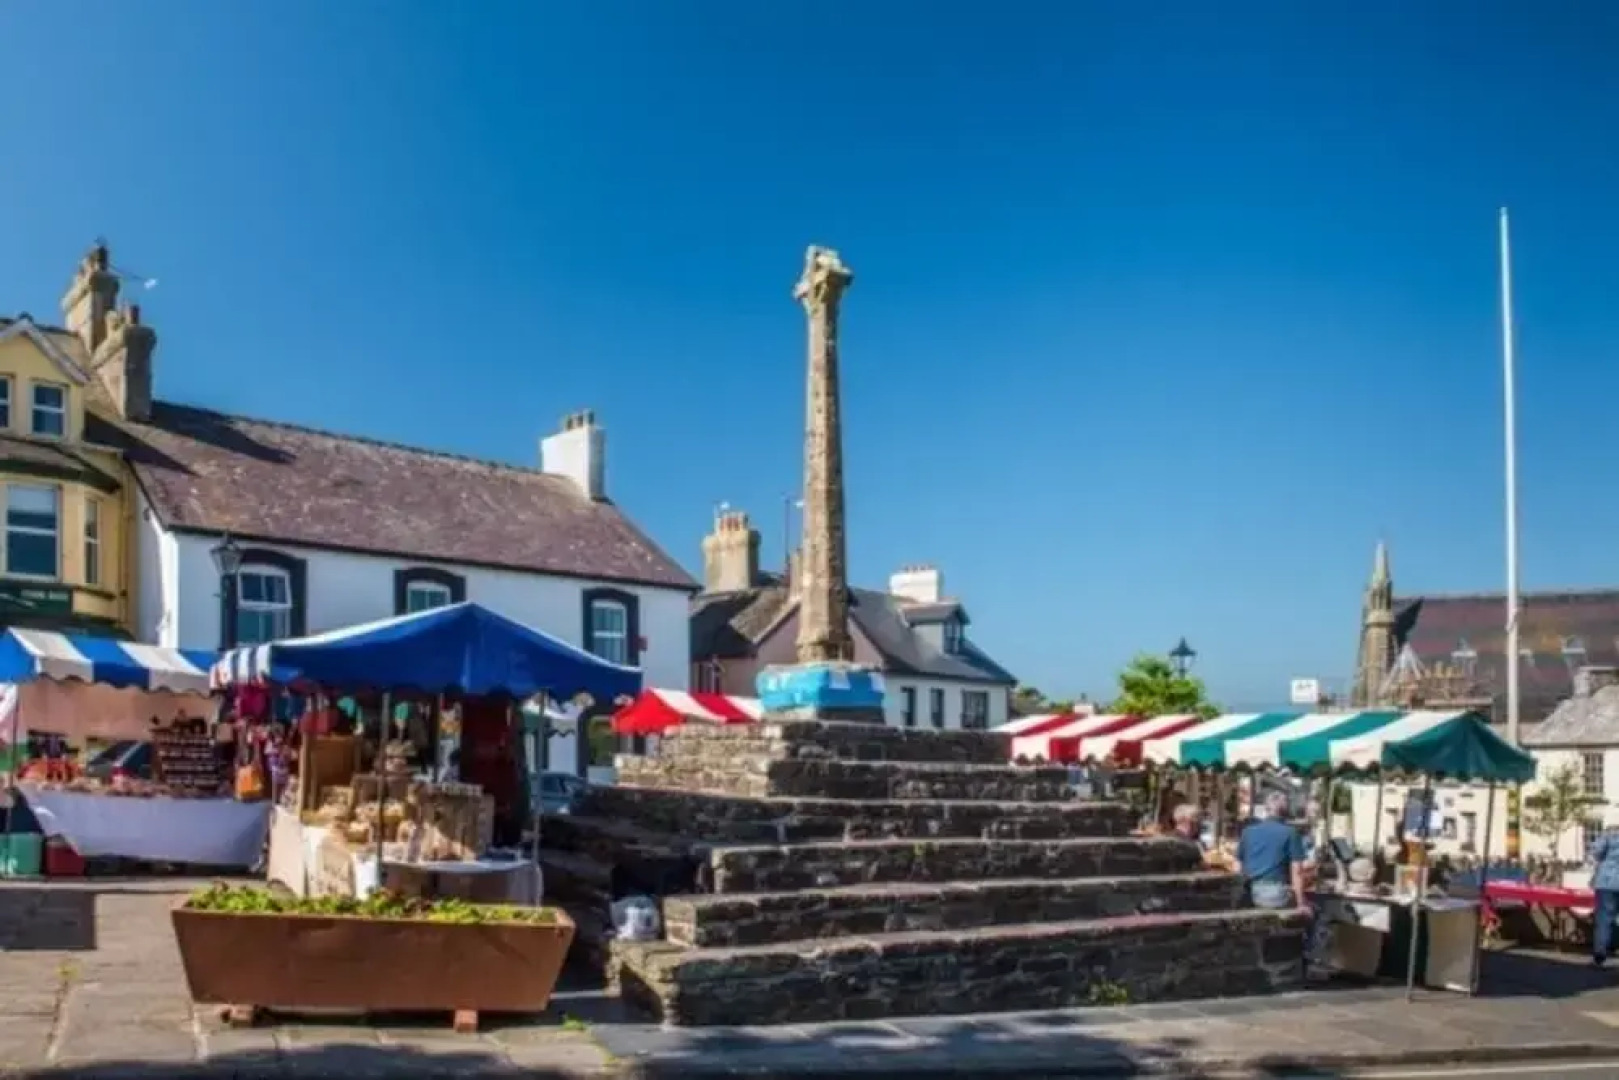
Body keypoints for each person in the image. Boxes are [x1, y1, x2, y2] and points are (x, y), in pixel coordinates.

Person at [1237, 790, 1308, 910]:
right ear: (1286, 811)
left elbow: (1238, 866)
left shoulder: (1248, 832)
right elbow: (1297, 872)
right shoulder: (1291, 833)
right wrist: (1301, 904)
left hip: (1249, 893)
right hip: (1277, 894)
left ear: (1266, 809)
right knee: (1315, 911)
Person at [1589, 825, 1619, 967]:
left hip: (1607, 881)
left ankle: (1600, 955)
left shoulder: (1610, 834)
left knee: (1604, 919)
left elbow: (1596, 852)